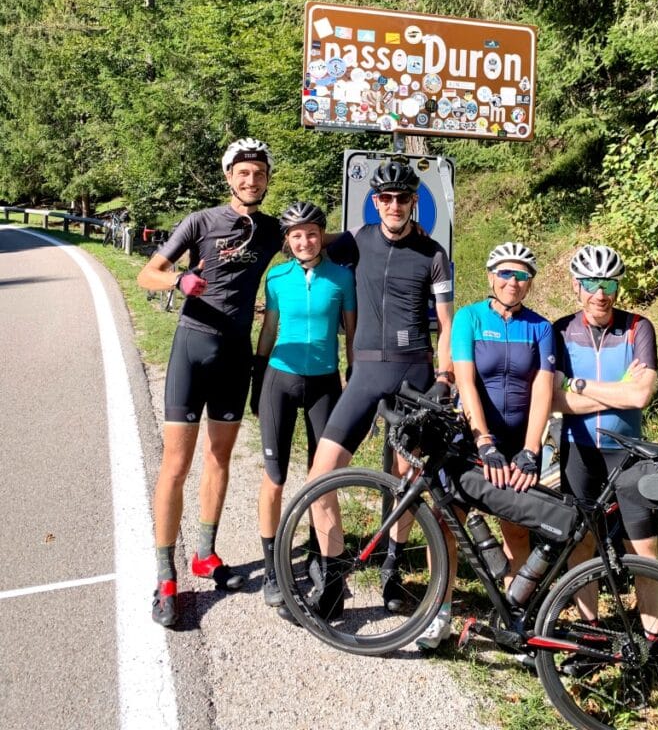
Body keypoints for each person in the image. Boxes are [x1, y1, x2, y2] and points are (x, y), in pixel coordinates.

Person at [299, 159, 454, 620]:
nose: (392, 205)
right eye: (384, 198)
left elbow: (447, 326)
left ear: (414, 203)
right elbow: (303, 239)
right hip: (365, 375)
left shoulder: (433, 254)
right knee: (318, 479)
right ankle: (333, 574)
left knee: (405, 483)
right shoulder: (356, 240)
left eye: (402, 198)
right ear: (374, 202)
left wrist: (445, 378)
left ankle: (392, 568)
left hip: (414, 376)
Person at [137, 138, 282, 628]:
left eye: (259, 174)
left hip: (235, 352)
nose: (251, 181)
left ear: (266, 179)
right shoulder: (201, 221)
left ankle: (205, 553)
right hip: (193, 348)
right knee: (175, 465)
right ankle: (165, 575)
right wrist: (179, 281)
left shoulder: (271, 230)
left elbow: (315, 240)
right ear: (229, 177)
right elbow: (147, 274)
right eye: (243, 173)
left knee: (219, 458)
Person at [551, 244, 658, 702]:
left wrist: (580, 387)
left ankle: (653, 643)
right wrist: (611, 390)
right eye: (591, 284)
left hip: (627, 453)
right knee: (583, 547)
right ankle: (592, 638)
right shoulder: (559, 331)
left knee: (645, 550)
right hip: (577, 451)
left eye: (609, 284)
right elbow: (555, 400)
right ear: (577, 287)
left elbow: (640, 398)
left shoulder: (638, 327)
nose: (601, 293)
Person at [416, 241, 555, 649]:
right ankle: (438, 614)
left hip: (519, 443)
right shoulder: (469, 318)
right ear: (491, 277)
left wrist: (530, 450)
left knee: (516, 531)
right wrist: (484, 440)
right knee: (447, 523)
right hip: (474, 438)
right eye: (506, 274)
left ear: (529, 283)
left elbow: (543, 390)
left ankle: (513, 621)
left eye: (522, 275)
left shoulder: (541, 328)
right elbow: (465, 380)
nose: (513, 282)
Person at [251, 201, 356, 609]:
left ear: (321, 236)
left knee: (322, 479)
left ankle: (321, 559)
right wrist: (257, 378)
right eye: (296, 235)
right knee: (274, 477)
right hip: (280, 379)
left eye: (311, 233)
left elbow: (351, 333)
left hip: (326, 383)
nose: (304, 241)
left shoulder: (342, 278)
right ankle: (274, 569)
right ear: (287, 241)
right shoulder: (276, 278)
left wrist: (353, 376)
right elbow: (269, 329)